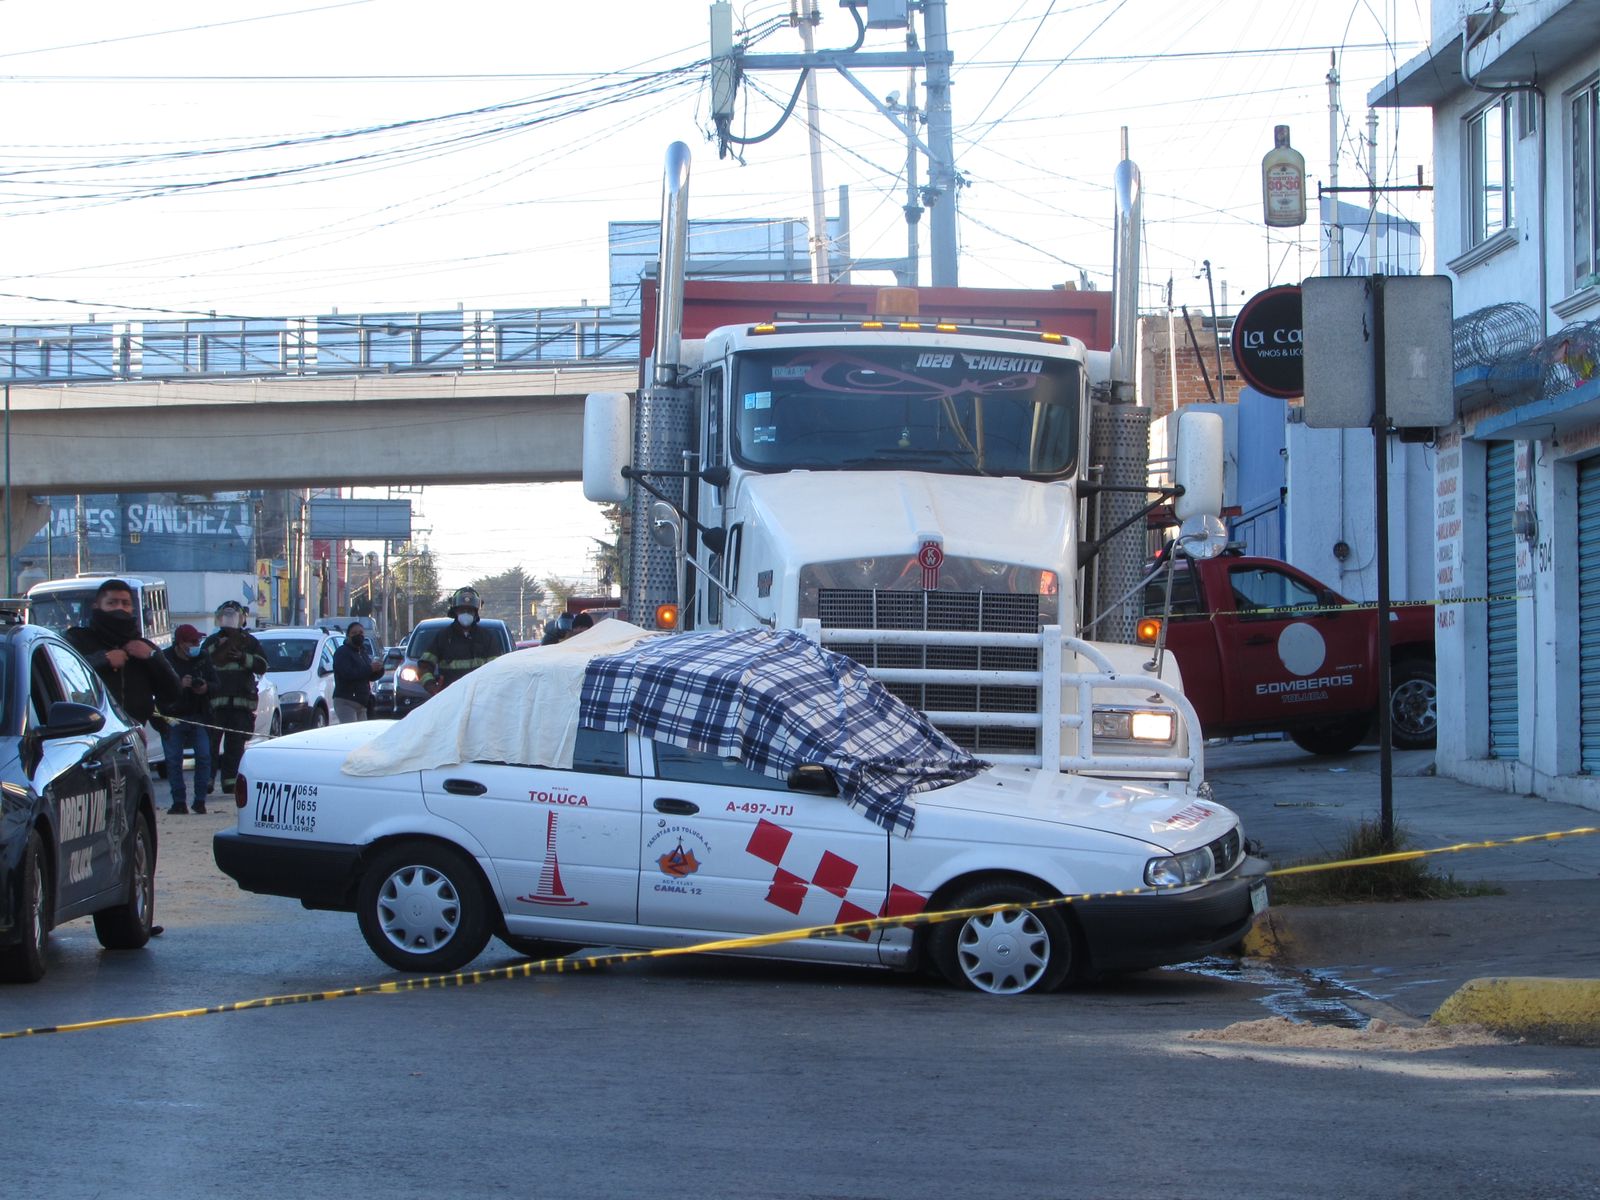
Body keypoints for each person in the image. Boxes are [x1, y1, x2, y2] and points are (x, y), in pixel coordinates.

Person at [63, 578, 182, 729]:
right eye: (112, 603)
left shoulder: (143, 647)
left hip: (133, 733)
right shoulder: (78, 639)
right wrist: (103, 660)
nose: (120, 609)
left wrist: (153, 657)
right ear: (97, 606)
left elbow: (173, 693)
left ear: (132, 608)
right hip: (90, 733)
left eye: (125, 604)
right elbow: (65, 672)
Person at [201, 600, 268, 795]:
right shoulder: (212, 642)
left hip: (240, 705)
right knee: (211, 745)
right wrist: (217, 648)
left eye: (233, 617)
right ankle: (207, 780)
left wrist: (243, 657)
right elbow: (202, 662)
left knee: (235, 746)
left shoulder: (249, 642)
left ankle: (230, 783)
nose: (229, 621)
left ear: (241, 619)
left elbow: (263, 665)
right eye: (226, 617)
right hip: (216, 704)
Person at [157, 624, 218, 815]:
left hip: (198, 715)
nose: (197, 644)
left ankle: (200, 801)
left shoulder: (202, 657)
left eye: (198, 640)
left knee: (204, 757)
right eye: (193, 641)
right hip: (172, 717)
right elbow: (156, 689)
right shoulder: (164, 659)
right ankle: (179, 802)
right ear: (181, 643)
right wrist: (178, 685)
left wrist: (205, 687)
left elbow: (217, 684)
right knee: (173, 761)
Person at [419, 587, 505, 695]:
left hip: (480, 696)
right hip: (450, 697)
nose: (466, 613)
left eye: (469, 610)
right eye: (462, 610)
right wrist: (431, 686)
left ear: (475, 612)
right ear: (455, 611)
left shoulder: (487, 638)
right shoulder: (443, 637)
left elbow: (496, 669)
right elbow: (424, 666)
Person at [331, 621, 383, 723]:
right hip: (346, 701)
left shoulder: (362, 652)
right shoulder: (342, 652)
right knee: (351, 733)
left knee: (362, 735)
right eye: (354, 633)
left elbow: (367, 676)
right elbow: (348, 673)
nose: (358, 636)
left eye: (360, 633)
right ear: (348, 636)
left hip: (362, 702)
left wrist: (379, 670)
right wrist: (370, 669)